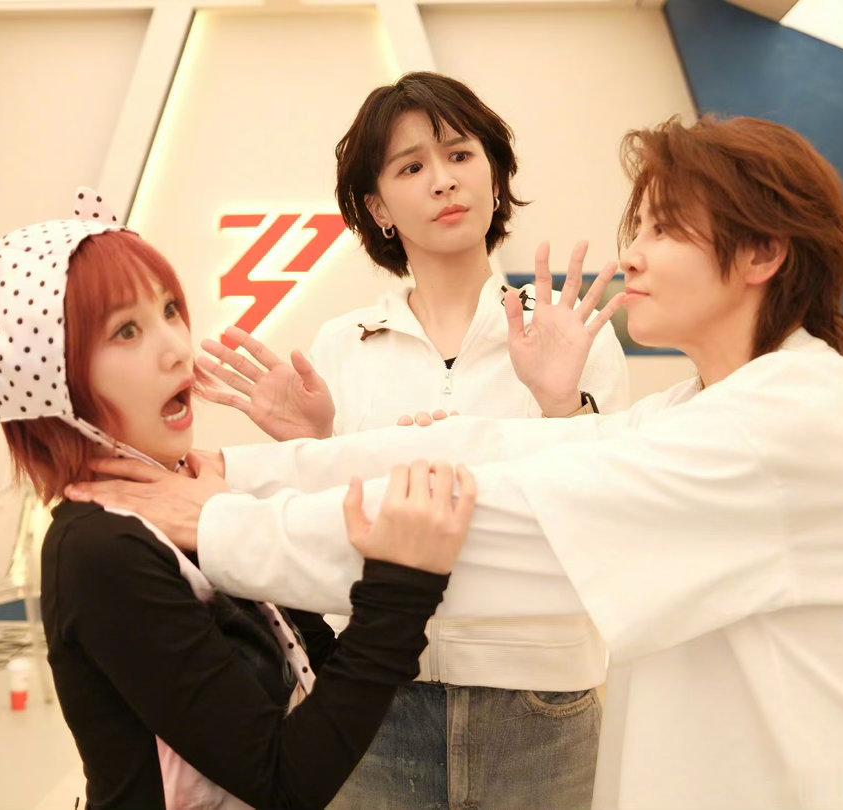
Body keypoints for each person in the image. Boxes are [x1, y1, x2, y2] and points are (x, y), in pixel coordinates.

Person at [69, 117, 843, 809]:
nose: (630, 255)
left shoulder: (785, 428)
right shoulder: (712, 406)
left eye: (662, 230)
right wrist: (246, 477)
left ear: (764, 253)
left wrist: (224, 524)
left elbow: (506, 522)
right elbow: (489, 450)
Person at [0, 190, 476, 810]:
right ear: (54, 383)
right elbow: (282, 780)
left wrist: (290, 511)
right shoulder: (99, 549)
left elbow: (320, 673)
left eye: (169, 309)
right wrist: (401, 586)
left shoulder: (184, 498)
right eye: (126, 331)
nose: (176, 347)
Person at [194, 71, 627, 809]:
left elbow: (608, 513)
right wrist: (319, 446)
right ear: (377, 207)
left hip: (541, 698)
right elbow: (325, 537)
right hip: (375, 699)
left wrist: (560, 405)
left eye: (460, 155)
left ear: (495, 174)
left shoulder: (567, 330)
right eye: (410, 167)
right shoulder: (342, 345)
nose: (443, 181)